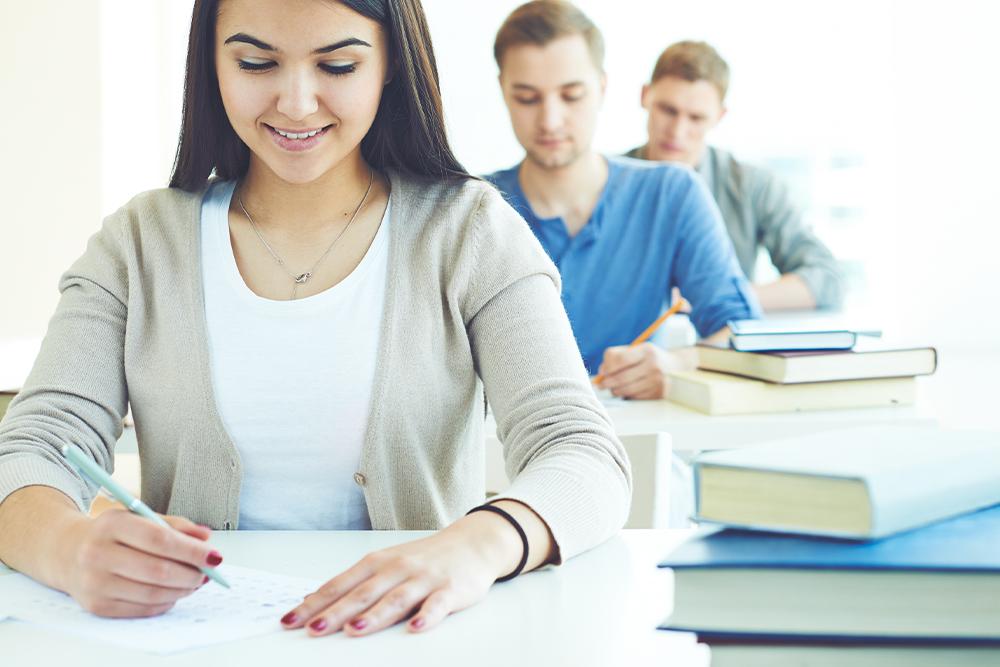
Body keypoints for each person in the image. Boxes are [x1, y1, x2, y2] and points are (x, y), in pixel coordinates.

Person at [0, 0, 631, 638]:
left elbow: (581, 452)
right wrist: (68, 548)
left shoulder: (470, 232)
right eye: (255, 62)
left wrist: (475, 546)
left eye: (336, 65)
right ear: (211, 64)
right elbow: (33, 446)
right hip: (196, 642)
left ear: (390, 64)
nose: (297, 103)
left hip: (415, 641)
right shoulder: (139, 243)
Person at [484, 1, 760, 400]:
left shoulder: (671, 195)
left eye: (572, 95)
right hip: (508, 449)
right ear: (504, 92)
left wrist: (676, 364)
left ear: (602, 88)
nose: (550, 120)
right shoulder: (474, 210)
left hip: (637, 441)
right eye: (527, 98)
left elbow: (743, 335)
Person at [626, 41, 844, 311]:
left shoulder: (752, 186)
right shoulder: (605, 181)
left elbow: (827, 280)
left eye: (696, 118)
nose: (678, 131)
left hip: (718, 349)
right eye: (668, 110)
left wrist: (724, 297)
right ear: (645, 96)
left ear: (719, 116)